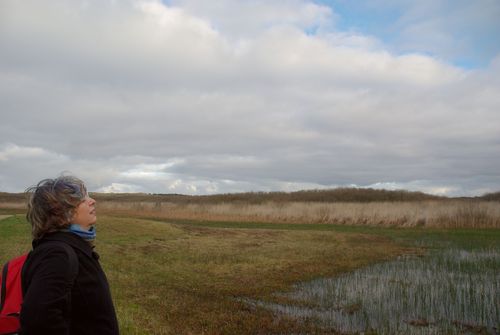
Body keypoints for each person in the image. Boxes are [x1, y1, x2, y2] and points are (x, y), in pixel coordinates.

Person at [20, 175, 119, 334]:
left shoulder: (69, 248)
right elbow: (37, 320)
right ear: (59, 212)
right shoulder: (57, 254)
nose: (92, 200)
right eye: (81, 199)